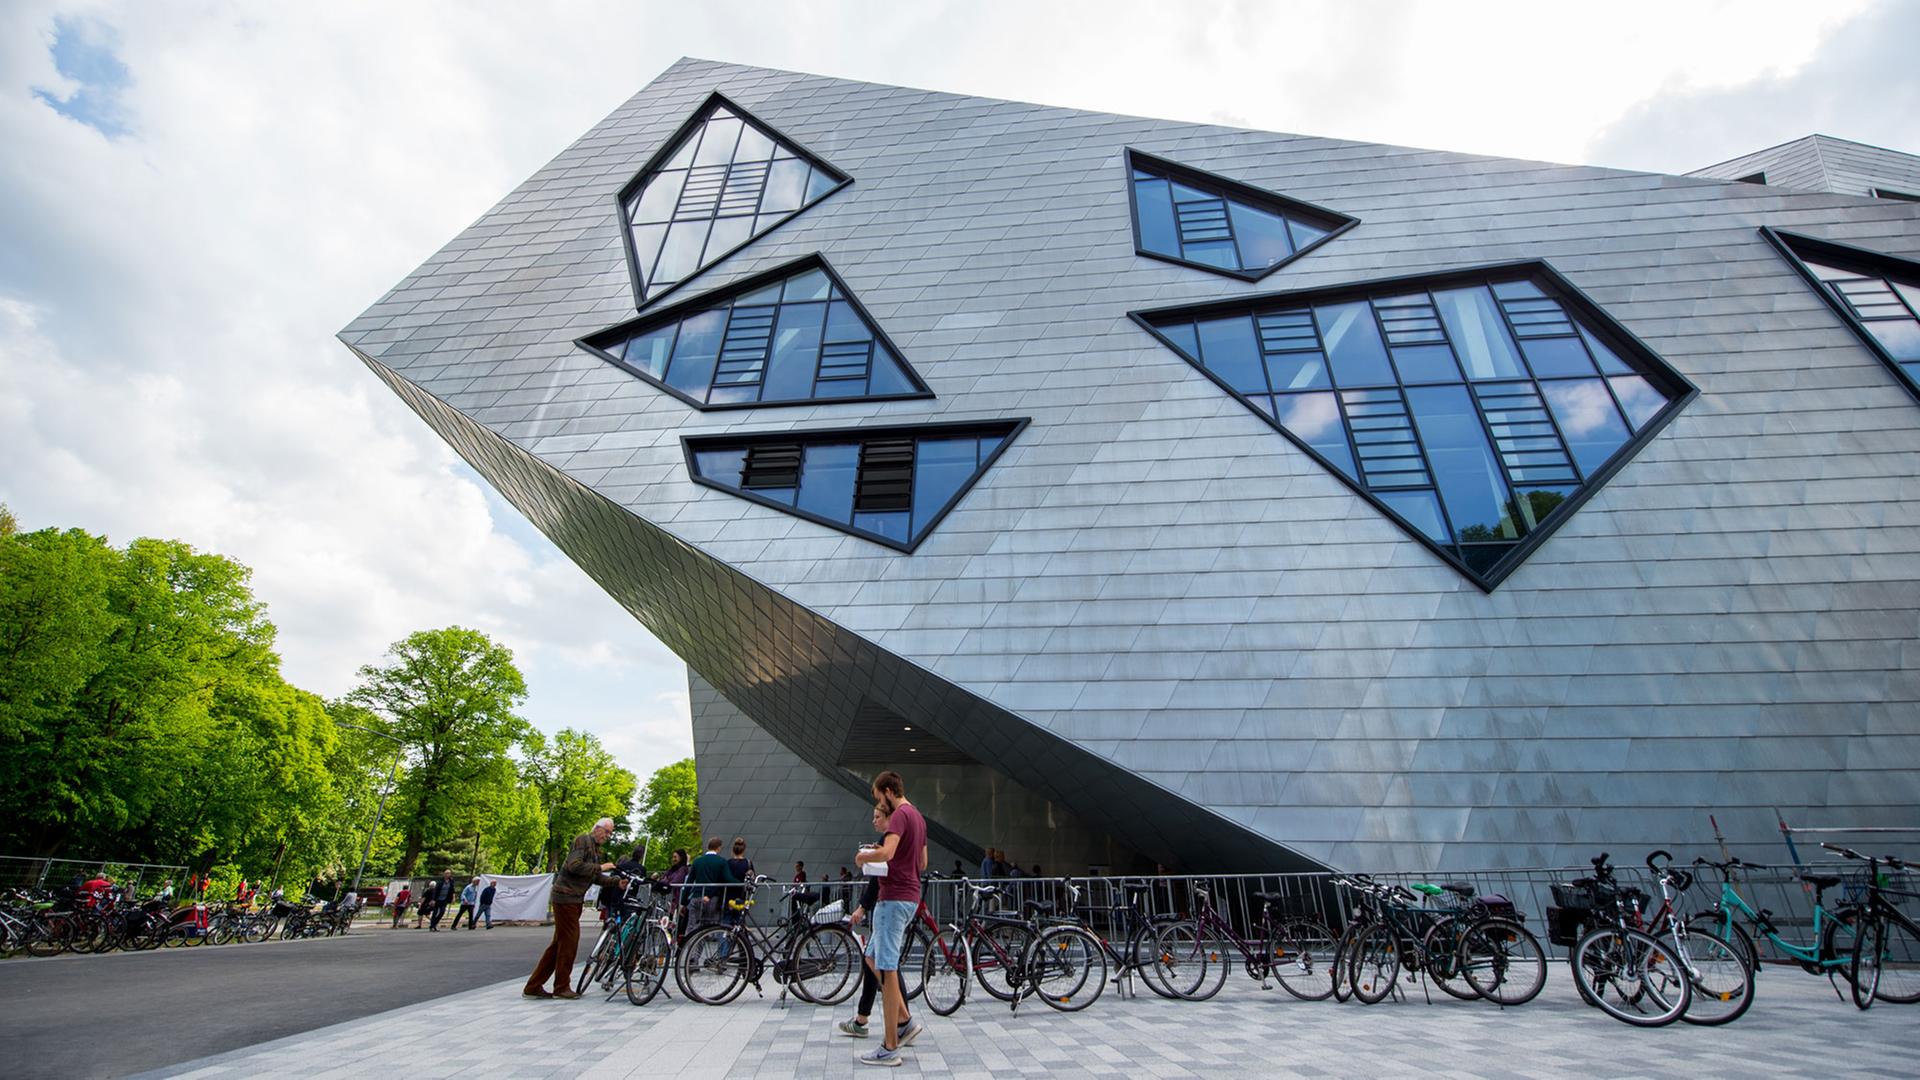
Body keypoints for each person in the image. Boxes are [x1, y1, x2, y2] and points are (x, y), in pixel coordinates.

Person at [852, 770, 926, 1066]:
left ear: (886, 791)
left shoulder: (899, 816)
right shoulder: (918, 817)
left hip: (893, 898)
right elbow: (922, 862)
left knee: (887, 966)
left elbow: (887, 852)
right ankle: (905, 1022)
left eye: (877, 797)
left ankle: (889, 1046)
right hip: (910, 895)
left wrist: (863, 856)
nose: (878, 803)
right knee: (871, 958)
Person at [525, 817, 618, 1000]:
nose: (608, 836)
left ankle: (534, 985)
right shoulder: (583, 840)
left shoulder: (595, 850)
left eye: (610, 833)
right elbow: (573, 866)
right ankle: (561, 986)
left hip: (572, 899)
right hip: (566, 897)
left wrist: (617, 882)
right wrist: (600, 867)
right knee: (569, 942)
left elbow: (595, 877)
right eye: (606, 831)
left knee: (558, 944)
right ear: (597, 828)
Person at [838, 802, 904, 1041]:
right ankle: (863, 1018)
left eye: (877, 816)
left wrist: (862, 907)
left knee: (885, 966)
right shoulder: (888, 842)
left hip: (890, 904)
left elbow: (878, 879)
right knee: (874, 961)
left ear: (889, 818)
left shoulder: (891, 840)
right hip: (890, 904)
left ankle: (900, 1025)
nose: (874, 820)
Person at [688, 838, 731, 928]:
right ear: (718, 848)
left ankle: (691, 941)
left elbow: (689, 881)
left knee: (692, 926)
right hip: (712, 898)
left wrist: (683, 902)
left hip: (696, 896)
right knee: (711, 927)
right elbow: (727, 879)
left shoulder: (697, 861)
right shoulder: (721, 862)